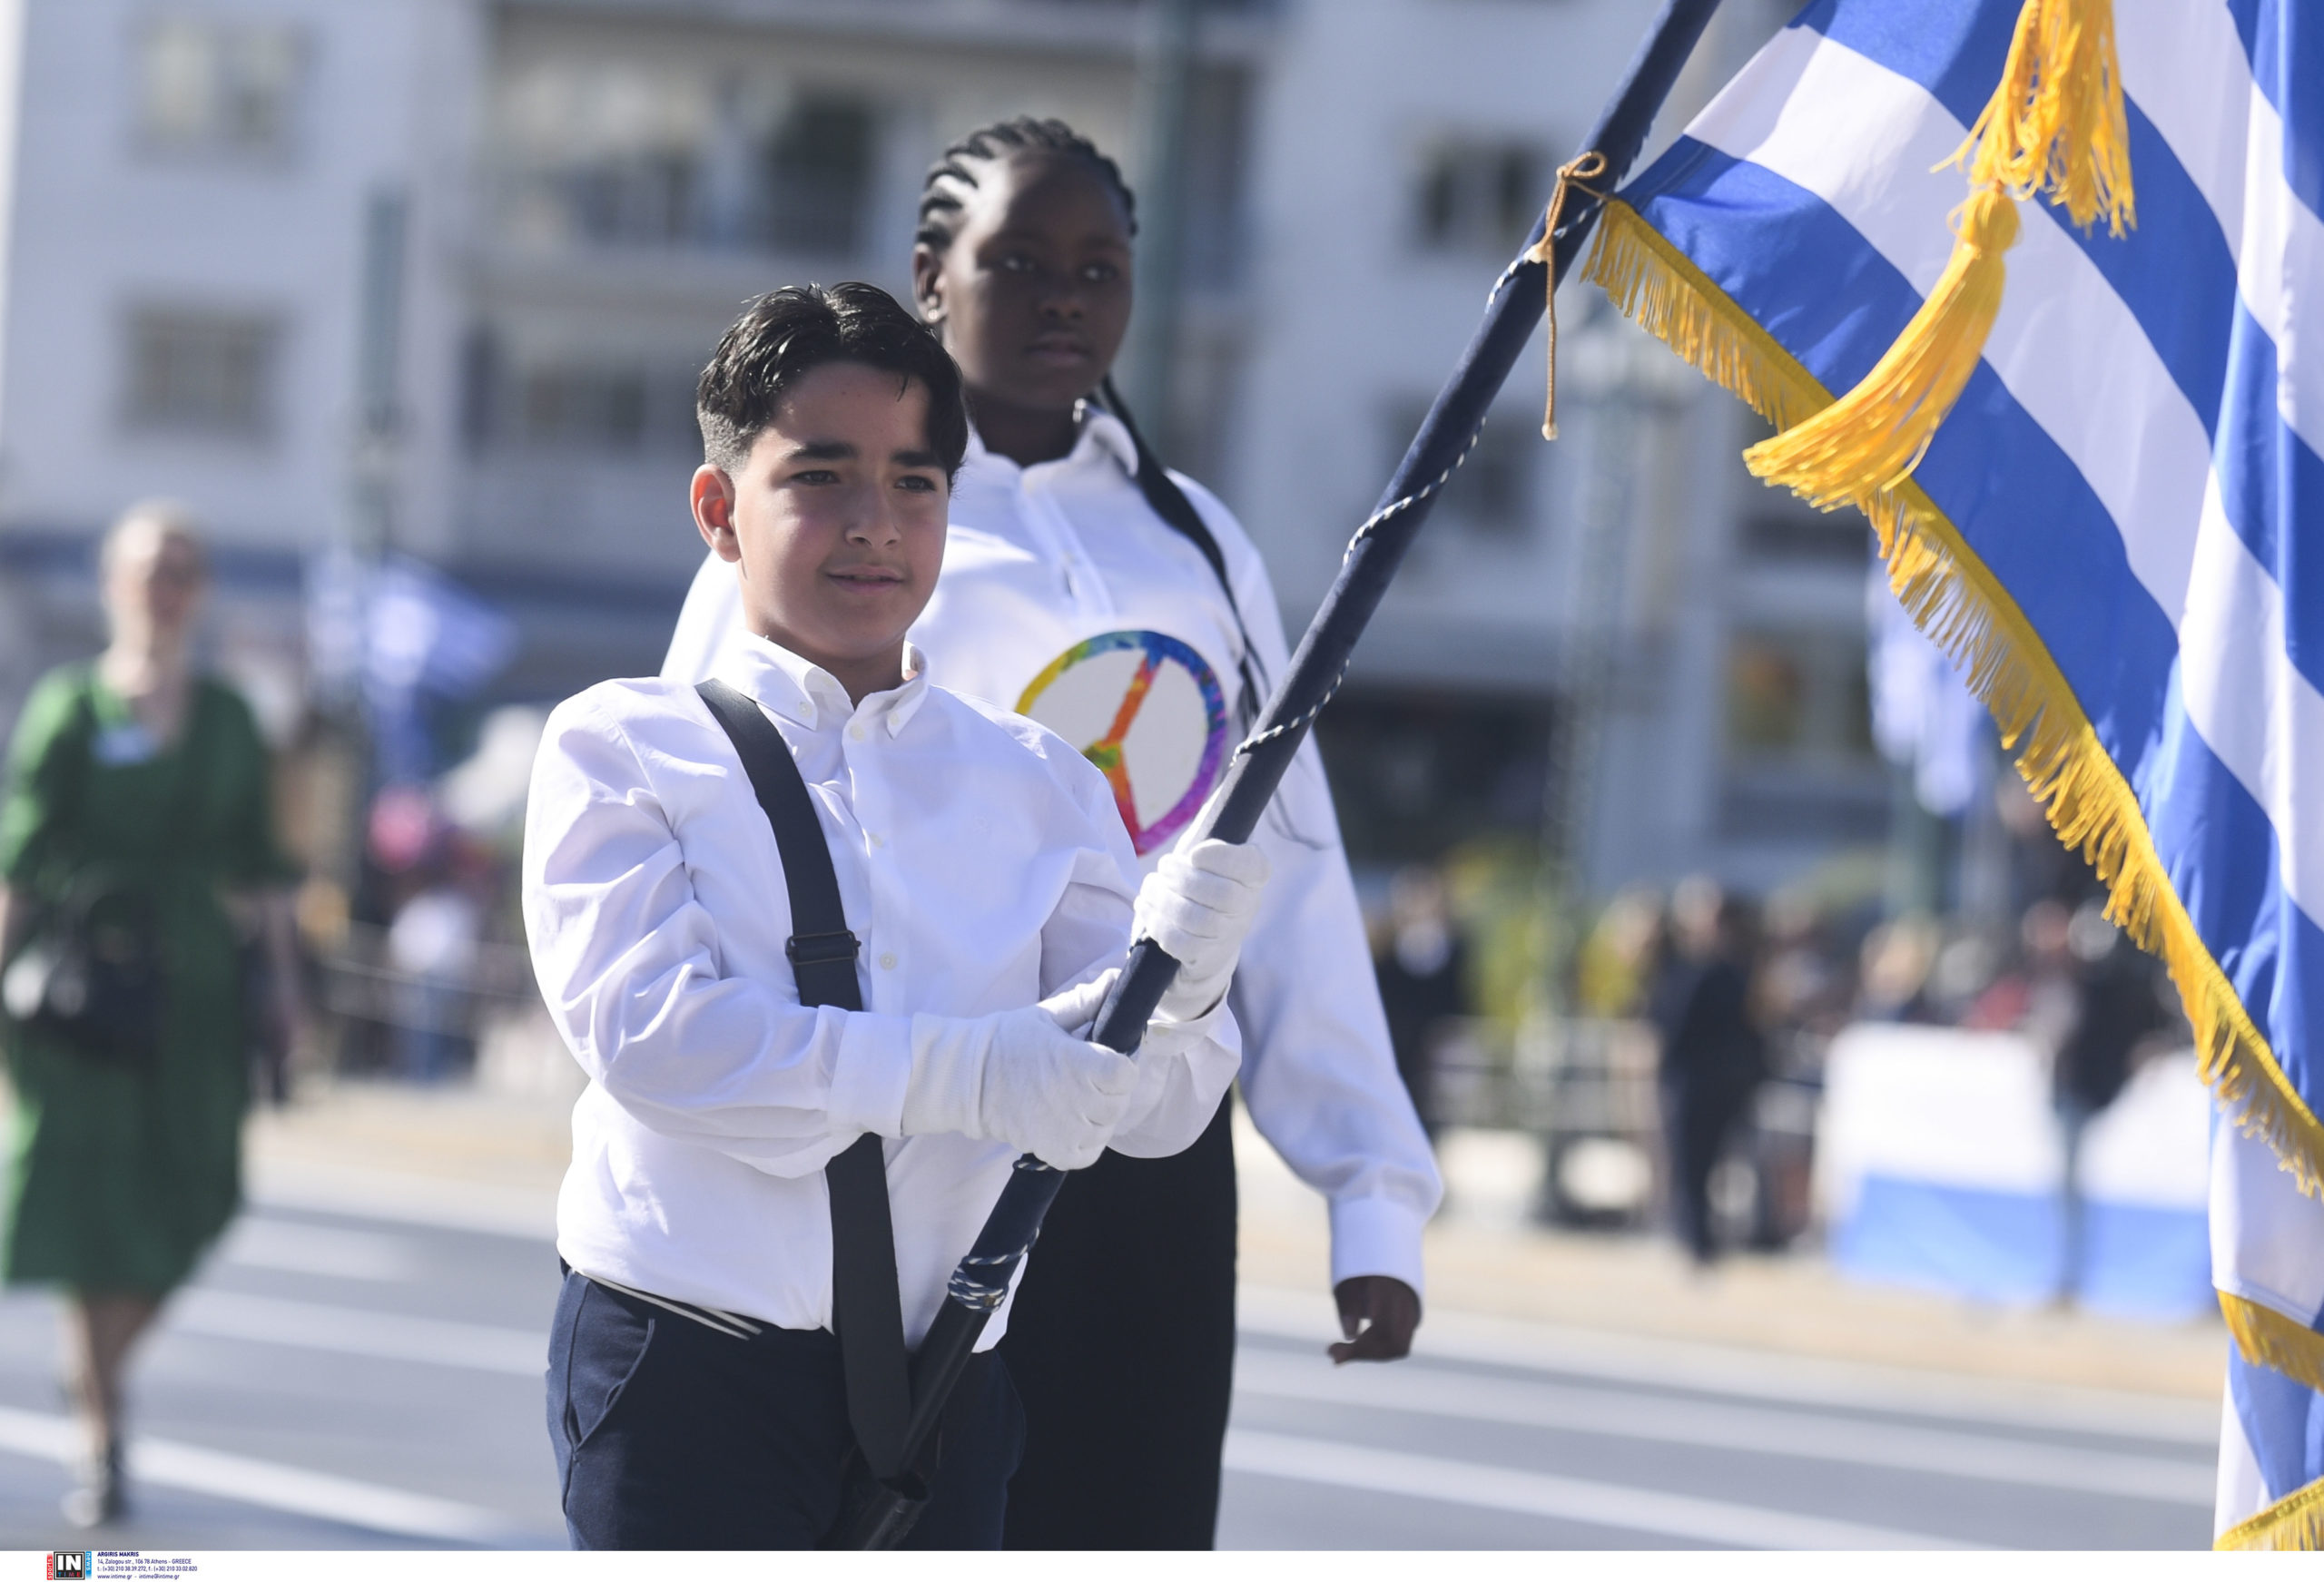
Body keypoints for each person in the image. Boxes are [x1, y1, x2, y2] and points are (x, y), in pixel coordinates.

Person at [661, 119, 1441, 1548]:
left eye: (1100, 266)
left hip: (1146, 1145)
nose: (1065, 297)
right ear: (929, 280)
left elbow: (1294, 869)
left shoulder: (1197, 541)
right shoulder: (833, 525)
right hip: (922, 1129)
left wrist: (1370, 1193)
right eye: (1017, 262)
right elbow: (708, 810)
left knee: (1121, 1524)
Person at [526, 283, 1263, 1549]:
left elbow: (1154, 1108)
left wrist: (1179, 991)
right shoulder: (621, 742)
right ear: (721, 510)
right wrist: (972, 1073)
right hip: (687, 1367)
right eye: (822, 477)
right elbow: (657, 1039)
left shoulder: (1043, 781)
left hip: (950, 1389)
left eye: (915, 483)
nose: (875, 524)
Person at [0, 505, 303, 1526]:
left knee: (195, 1191)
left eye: (182, 568)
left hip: (196, 996)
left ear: (202, 588)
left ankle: (96, 1371)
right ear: (109, 583)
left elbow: (262, 865)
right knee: (89, 1215)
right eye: (146, 568)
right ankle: (104, 1437)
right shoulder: (68, 706)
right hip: (82, 994)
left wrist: (288, 991)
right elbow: (20, 860)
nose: (163, 586)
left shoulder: (226, 715)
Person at [1646, 877, 1765, 1267]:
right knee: (1685, 1161)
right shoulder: (1680, 962)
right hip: (1689, 1076)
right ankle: (1690, 1236)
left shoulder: (1734, 966)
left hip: (1712, 1079)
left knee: (1705, 1161)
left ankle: (1699, 1240)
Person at [1373, 864, 1465, 1136]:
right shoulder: (1385, 949)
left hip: (1433, 1054)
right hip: (1394, 1050)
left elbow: (1456, 1000)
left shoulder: (1455, 951)